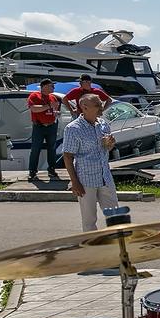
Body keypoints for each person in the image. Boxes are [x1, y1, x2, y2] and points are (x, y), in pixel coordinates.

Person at [62, 94, 119, 231]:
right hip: (86, 180)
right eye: (97, 105)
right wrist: (74, 182)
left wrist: (109, 144)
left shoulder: (103, 124)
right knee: (89, 220)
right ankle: (92, 243)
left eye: (101, 104)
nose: (101, 107)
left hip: (105, 177)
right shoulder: (73, 128)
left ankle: (118, 242)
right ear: (85, 108)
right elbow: (67, 156)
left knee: (116, 216)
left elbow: (106, 148)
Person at [26, 79, 61, 182]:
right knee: (35, 149)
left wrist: (56, 113)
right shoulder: (34, 96)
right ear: (44, 86)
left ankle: (52, 169)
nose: (53, 88)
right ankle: (32, 171)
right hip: (39, 126)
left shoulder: (53, 97)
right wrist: (49, 106)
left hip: (51, 125)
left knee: (52, 148)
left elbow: (54, 110)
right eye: (51, 86)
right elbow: (34, 109)